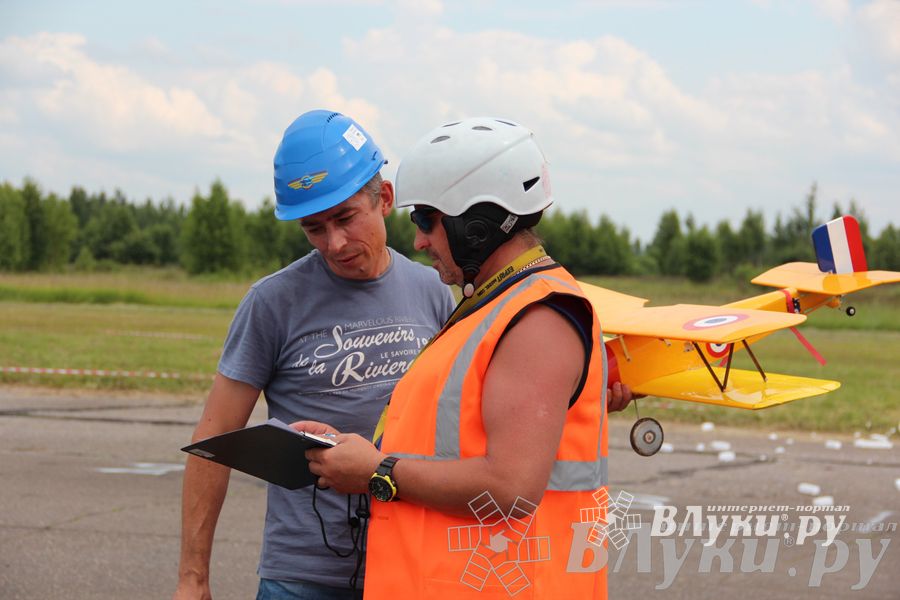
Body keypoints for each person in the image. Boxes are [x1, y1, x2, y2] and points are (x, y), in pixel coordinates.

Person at [299, 117, 632, 599]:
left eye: (426, 220)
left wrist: (376, 472)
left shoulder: (537, 317)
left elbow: (510, 488)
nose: (418, 241)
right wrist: (353, 453)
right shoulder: (491, 307)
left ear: (474, 224)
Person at [174, 110, 455, 600]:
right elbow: (214, 438)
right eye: (314, 229)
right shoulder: (273, 302)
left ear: (384, 198)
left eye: (346, 218)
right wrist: (193, 577)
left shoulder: (432, 290)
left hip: (410, 562)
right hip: (302, 577)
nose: (335, 243)